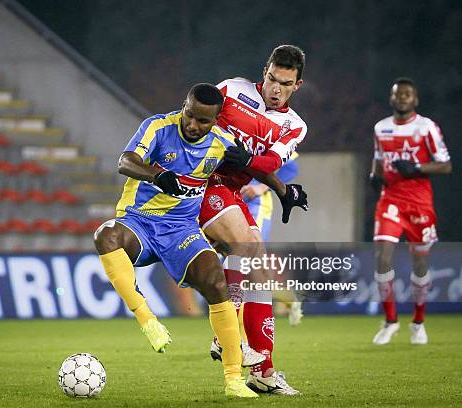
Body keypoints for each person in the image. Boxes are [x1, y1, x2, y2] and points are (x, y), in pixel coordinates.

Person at [93, 83, 258, 398]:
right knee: (106, 235)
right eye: (190, 115)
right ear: (184, 105)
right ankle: (146, 318)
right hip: (139, 222)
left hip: (182, 230)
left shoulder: (223, 143)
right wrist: (155, 175)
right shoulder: (158, 127)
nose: (193, 125)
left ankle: (234, 380)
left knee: (217, 283)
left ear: (216, 120)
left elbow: (249, 171)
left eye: (203, 121)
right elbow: (124, 161)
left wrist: (276, 184)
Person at [199, 45, 307, 395]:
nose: (276, 89)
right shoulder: (232, 89)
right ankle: (223, 334)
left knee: (259, 267)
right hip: (201, 185)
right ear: (264, 72)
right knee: (245, 244)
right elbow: (194, 118)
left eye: (285, 84)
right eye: (272, 79)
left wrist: (253, 164)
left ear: (297, 85)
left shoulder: (294, 126)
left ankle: (263, 370)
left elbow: (269, 164)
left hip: (233, 192)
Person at [370, 77, 452, 345]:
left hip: (419, 203)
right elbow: (379, 158)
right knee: (382, 256)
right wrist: (374, 174)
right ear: (392, 99)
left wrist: (417, 168)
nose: (403, 98)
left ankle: (418, 322)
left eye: (407, 94)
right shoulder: (381, 128)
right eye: (398, 94)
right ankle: (390, 321)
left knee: (420, 264)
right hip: (390, 199)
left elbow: (445, 165)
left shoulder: (426, 127)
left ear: (415, 100)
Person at [241, 155, 303, 326]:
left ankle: (244, 335)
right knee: (237, 268)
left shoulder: (262, 134)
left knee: (250, 264)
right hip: (230, 204)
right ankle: (288, 298)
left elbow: (291, 168)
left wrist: (261, 187)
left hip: (256, 205)